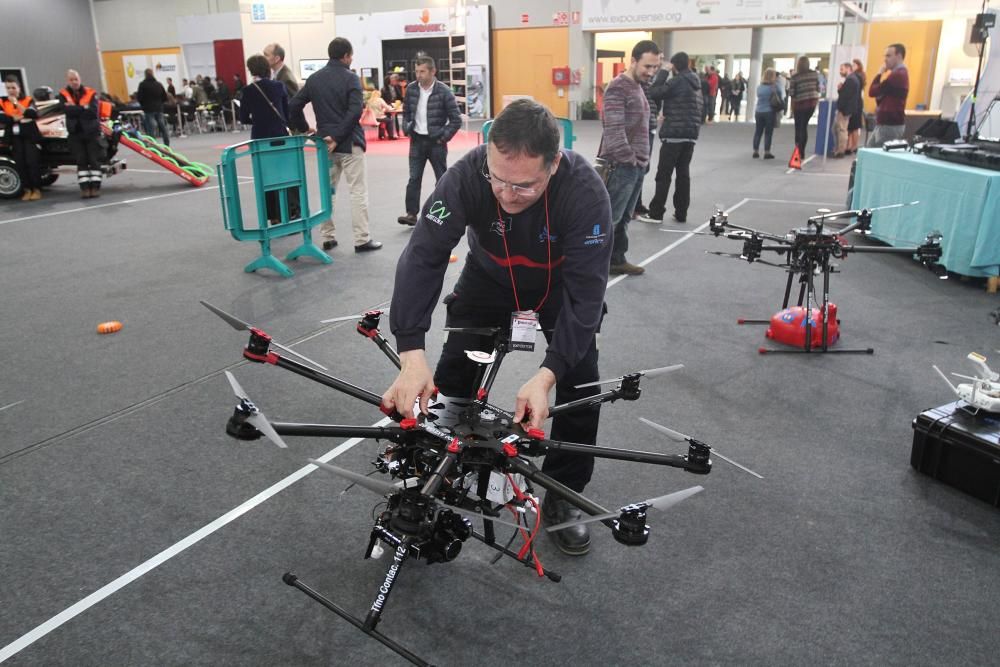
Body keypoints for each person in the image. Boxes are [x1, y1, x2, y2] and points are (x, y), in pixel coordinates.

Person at [382, 99, 612, 556]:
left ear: (553, 165)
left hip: (558, 285)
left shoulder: (585, 192)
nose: (506, 194)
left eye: (523, 186)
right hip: (489, 275)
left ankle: (564, 496)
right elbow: (424, 255)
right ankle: (432, 471)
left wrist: (549, 373)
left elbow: (587, 296)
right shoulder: (467, 175)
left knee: (581, 385)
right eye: (498, 178)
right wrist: (410, 352)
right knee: (451, 375)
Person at [289, 37, 382, 253]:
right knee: (357, 191)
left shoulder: (314, 79)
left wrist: (305, 129)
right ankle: (361, 239)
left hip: (324, 144)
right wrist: (338, 136)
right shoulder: (351, 79)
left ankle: (327, 237)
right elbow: (354, 112)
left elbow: (294, 104)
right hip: (350, 144)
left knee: (327, 191)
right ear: (347, 56)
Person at [599, 40, 658, 275]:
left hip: (635, 165)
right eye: (647, 66)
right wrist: (630, 159)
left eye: (655, 67)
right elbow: (613, 130)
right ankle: (596, 263)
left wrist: (641, 162)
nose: (651, 72)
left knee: (623, 218)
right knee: (610, 219)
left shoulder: (638, 87)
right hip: (621, 165)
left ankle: (616, 259)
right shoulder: (618, 87)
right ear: (633, 61)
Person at [396, 56, 463, 227]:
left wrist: (443, 137)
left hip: (436, 142)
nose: (418, 75)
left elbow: (456, 120)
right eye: (417, 71)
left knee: (442, 179)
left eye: (422, 71)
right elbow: (407, 112)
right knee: (414, 178)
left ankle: (445, 212)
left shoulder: (444, 91)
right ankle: (411, 214)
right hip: (416, 141)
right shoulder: (411, 89)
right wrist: (407, 127)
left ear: (433, 71)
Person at [640, 51, 704, 224]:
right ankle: (681, 212)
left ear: (674, 66)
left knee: (664, 175)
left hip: (674, 134)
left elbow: (654, 92)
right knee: (683, 174)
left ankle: (656, 212)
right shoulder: (695, 82)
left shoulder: (677, 81)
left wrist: (663, 72)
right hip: (690, 135)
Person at [240, 54, 294, 225]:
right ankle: (288, 212)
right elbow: (286, 114)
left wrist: (257, 119)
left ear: (251, 70)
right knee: (285, 175)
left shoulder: (248, 91)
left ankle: (273, 217)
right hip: (280, 135)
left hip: (260, 138)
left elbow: (243, 118)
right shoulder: (279, 86)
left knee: (266, 178)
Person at [58, 69, 103, 198]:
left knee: (94, 161)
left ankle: (95, 187)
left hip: (91, 132)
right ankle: (84, 188)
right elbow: (66, 110)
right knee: (81, 161)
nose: (74, 82)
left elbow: (93, 111)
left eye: (76, 79)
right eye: (71, 80)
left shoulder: (90, 92)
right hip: (75, 133)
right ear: (68, 81)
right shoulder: (63, 94)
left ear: (80, 79)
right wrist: (83, 108)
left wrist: (75, 109)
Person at [1, 75, 43, 201]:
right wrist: (17, 117)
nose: (11, 90)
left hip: (29, 137)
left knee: (32, 163)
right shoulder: (3, 102)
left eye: (13, 87)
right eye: (8, 88)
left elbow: (33, 114)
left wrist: (16, 104)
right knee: (20, 164)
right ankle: (27, 189)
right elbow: (2, 118)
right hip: (14, 138)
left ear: (19, 88)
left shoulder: (28, 100)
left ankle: (36, 189)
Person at [867, 44, 908, 147]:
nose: (885, 59)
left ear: (898, 56)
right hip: (885, 124)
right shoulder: (898, 74)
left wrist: (879, 73)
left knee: (874, 156)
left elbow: (872, 91)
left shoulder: (898, 75)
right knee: (869, 152)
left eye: (888, 56)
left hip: (889, 126)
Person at [788, 56, 820, 159]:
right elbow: (818, 88)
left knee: (799, 127)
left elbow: (792, 93)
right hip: (811, 103)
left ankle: (799, 150)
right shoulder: (814, 74)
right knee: (804, 126)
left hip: (800, 104)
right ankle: (802, 151)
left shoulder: (795, 77)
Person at [752, 68, 783, 159]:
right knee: (768, 133)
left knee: (758, 131)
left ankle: (755, 151)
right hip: (769, 111)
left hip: (758, 111)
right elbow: (780, 97)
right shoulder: (775, 87)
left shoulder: (759, 87)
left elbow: (758, 96)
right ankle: (767, 152)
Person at [833, 62, 861, 158]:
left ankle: (841, 150)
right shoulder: (852, 79)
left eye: (842, 69)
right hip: (846, 109)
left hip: (845, 110)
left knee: (841, 129)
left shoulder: (851, 80)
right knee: (838, 129)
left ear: (848, 68)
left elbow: (845, 97)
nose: (840, 71)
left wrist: (841, 108)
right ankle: (839, 149)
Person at [137, 68, 170, 146]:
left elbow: (140, 97)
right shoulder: (158, 84)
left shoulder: (142, 85)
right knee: (162, 126)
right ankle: (166, 143)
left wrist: (143, 105)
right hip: (159, 108)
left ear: (145, 75)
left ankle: (152, 144)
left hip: (148, 109)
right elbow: (165, 97)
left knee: (151, 127)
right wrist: (160, 103)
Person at [848, 59, 866, 153]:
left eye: (854, 65)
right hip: (858, 102)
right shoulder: (860, 76)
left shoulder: (856, 76)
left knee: (854, 126)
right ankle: (851, 145)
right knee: (852, 126)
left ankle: (854, 146)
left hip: (856, 103)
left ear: (858, 66)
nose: (852, 66)